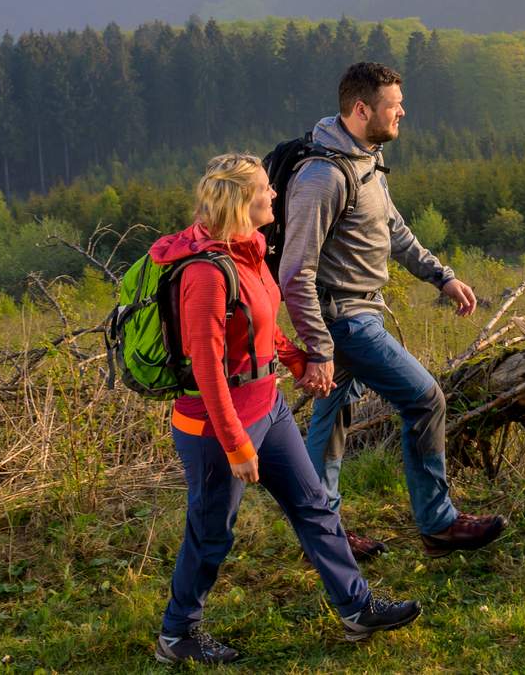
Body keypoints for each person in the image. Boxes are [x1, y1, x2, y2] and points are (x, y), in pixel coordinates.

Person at [154, 153, 420, 664]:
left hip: (268, 408)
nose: (274, 194)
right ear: (239, 200)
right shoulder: (206, 274)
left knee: (314, 505)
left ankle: (356, 609)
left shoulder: (249, 249)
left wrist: (296, 360)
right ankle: (176, 635)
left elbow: (260, 322)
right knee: (211, 534)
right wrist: (235, 445)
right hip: (214, 427)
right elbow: (207, 367)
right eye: (263, 189)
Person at [280, 62, 506, 558]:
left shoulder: (366, 159)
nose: (402, 111)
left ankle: (322, 533)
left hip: (361, 312)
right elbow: (295, 271)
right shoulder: (322, 177)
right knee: (426, 400)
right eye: (392, 105)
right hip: (344, 320)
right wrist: (319, 347)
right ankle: (439, 523)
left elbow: (394, 229)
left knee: (331, 416)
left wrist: (441, 276)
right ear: (362, 110)